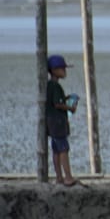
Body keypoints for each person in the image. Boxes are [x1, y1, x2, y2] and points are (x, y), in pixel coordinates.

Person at [45, 54, 80, 187]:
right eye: (61, 68)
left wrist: (65, 98)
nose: (64, 71)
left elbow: (56, 100)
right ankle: (68, 177)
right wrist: (70, 108)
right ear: (53, 70)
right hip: (57, 121)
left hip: (51, 121)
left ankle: (59, 177)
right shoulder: (55, 86)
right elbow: (57, 104)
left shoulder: (50, 86)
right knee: (63, 148)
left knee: (56, 149)